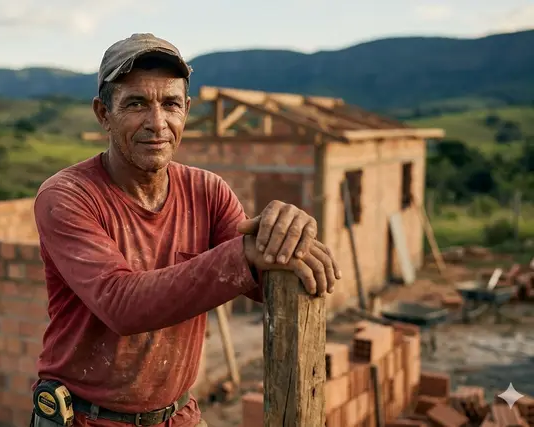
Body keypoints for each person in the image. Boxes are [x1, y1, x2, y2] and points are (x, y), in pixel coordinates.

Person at [31, 33, 341, 427]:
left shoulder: (207, 191)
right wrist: (245, 252)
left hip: (178, 416)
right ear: (103, 114)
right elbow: (120, 304)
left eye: (171, 104)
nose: (157, 123)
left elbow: (261, 282)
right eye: (136, 104)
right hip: (87, 419)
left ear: (187, 111)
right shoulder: (68, 197)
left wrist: (287, 240)